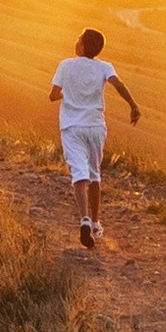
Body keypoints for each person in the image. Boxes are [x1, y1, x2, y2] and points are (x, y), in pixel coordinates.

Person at [48, 25, 140, 248]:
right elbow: (118, 84)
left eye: (78, 38)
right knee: (94, 173)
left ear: (81, 45)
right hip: (95, 126)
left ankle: (84, 220)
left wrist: (70, 94)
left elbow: (53, 96)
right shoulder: (104, 67)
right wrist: (133, 105)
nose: (76, 41)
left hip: (71, 126)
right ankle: (97, 223)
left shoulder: (65, 65)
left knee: (79, 175)